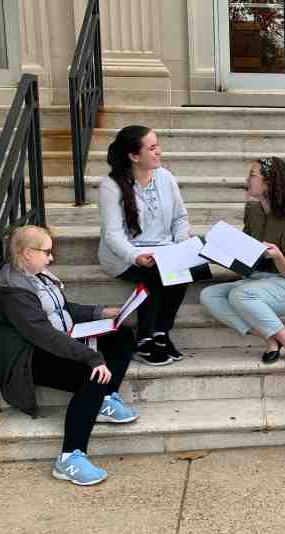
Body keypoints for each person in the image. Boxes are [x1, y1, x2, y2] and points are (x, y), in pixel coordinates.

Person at [0, 225, 136, 486]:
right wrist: (90, 357)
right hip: (30, 357)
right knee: (92, 374)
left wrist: (102, 313)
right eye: (46, 252)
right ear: (26, 253)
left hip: (59, 340)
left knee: (123, 334)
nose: (51, 258)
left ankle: (103, 398)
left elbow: (62, 310)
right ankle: (70, 456)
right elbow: (43, 334)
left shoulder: (38, 275)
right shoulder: (14, 291)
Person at [200, 157, 285, 370]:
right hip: (254, 281)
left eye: (252, 174)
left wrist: (277, 256)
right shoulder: (252, 210)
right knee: (208, 295)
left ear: (269, 182)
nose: (247, 179)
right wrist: (220, 250)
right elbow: (245, 252)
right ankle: (270, 338)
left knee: (239, 295)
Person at [98, 125, 191, 367]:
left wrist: (181, 246)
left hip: (164, 247)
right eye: (152, 147)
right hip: (124, 254)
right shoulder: (111, 185)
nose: (159, 151)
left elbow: (180, 218)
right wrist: (135, 256)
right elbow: (113, 234)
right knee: (155, 274)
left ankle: (160, 333)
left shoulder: (166, 178)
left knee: (184, 271)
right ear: (134, 156)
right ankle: (144, 339)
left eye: (157, 144)